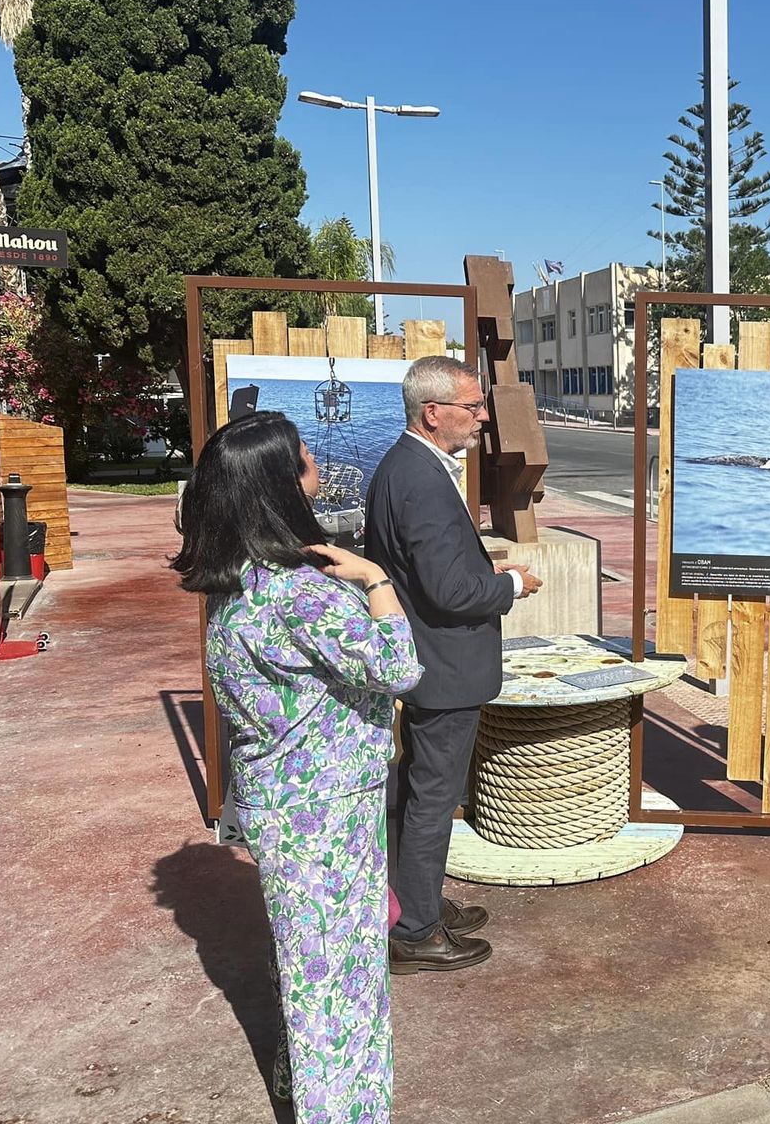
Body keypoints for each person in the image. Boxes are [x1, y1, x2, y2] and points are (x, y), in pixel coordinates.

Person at [173, 410, 422, 1119]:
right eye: (305, 457)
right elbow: (399, 668)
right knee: (340, 975)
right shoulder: (303, 594)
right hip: (328, 804)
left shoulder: (238, 581)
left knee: (308, 954)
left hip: (282, 798)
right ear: (281, 483)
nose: (315, 465)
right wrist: (376, 579)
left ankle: (296, 1076)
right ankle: (342, 1111)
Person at [365, 355, 541, 973]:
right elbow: (448, 592)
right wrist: (511, 585)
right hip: (444, 669)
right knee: (432, 798)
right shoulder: (420, 477)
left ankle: (413, 903)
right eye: (473, 406)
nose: (483, 416)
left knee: (420, 790)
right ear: (433, 412)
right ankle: (414, 931)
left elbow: (424, 570)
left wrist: (481, 569)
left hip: (429, 661)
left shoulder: (405, 465)